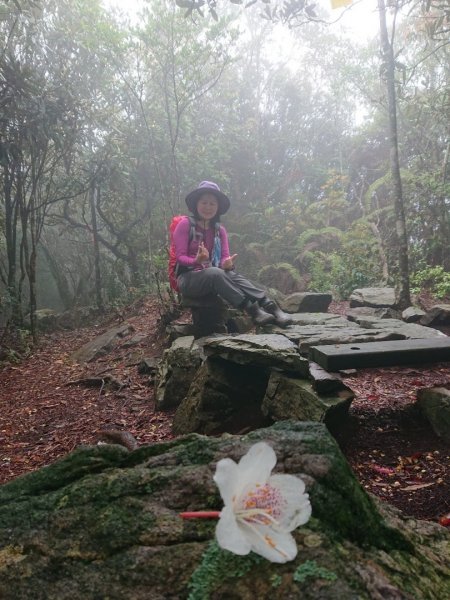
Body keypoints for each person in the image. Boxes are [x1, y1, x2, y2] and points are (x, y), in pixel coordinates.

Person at [173, 180, 292, 327]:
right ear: (196, 204)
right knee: (215, 273)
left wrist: (227, 264)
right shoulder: (185, 225)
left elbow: (224, 258)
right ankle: (252, 311)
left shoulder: (219, 230)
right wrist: (196, 260)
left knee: (231, 274)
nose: (208, 207)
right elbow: (180, 257)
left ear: (218, 207)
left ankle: (271, 307)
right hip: (188, 279)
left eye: (212, 204)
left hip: (214, 275)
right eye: (204, 202)